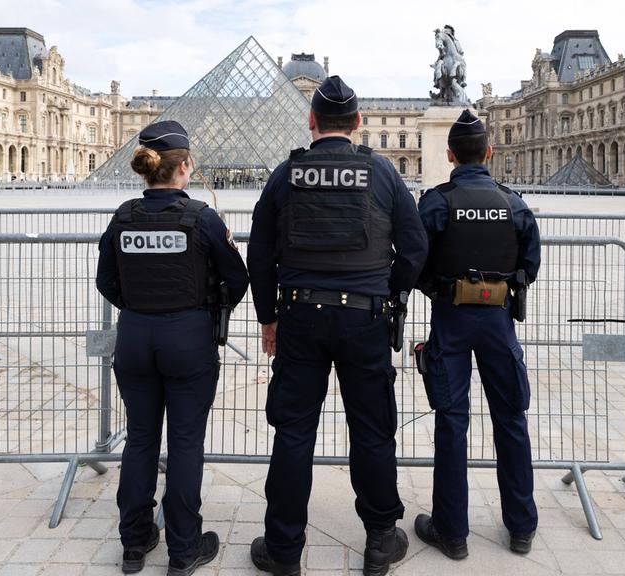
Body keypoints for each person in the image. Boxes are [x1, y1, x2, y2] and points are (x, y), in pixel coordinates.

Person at [247, 76, 428, 576]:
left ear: (311, 122)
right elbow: (414, 249)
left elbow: (259, 255)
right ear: (358, 123)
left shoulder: (287, 174)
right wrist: (388, 291)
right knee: (372, 431)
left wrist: (268, 318)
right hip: (365, 317)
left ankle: (283, 550)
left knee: (294, 433)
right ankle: (379, 540)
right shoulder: (384, 175)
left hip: (301, 316)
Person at [96, 120, 249, 575]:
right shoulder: (202, 217)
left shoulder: (123, 217)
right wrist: (204, 308)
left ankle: (134, 542)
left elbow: (106, 281)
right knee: (185, 443)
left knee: (140, 438)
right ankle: (184, 550)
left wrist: (139, 306)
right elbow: (238, 280)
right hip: (188, 338)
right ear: (184, 167)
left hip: (136, 338)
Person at [415, 109, 540, 559]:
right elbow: (531, 263)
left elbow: (415, 256)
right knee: (511, 419)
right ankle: (522, 526)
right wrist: (505, 288)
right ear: (489, 152)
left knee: (452, 422)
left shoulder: (436, 200)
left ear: (450, 154)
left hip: (451, 316)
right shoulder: (513, 201)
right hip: (498, 319)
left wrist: (438, 289)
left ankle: (452, 532)